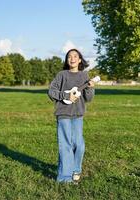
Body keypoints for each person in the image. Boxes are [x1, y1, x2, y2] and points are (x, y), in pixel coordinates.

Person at [48, 49, 95, 183]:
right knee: (66, 145)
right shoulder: (61, 75)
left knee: (79, 145)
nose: (72, 58)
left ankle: (76, 170)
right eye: (69, 56)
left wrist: (91, 87)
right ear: (67, 60)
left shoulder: (84, 76)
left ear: (80, 60)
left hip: (78, 114)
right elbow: (51, 91)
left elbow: (89, 98)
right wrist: (66, 96)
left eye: (75, 56)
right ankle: (65, 178)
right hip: (63, 113)